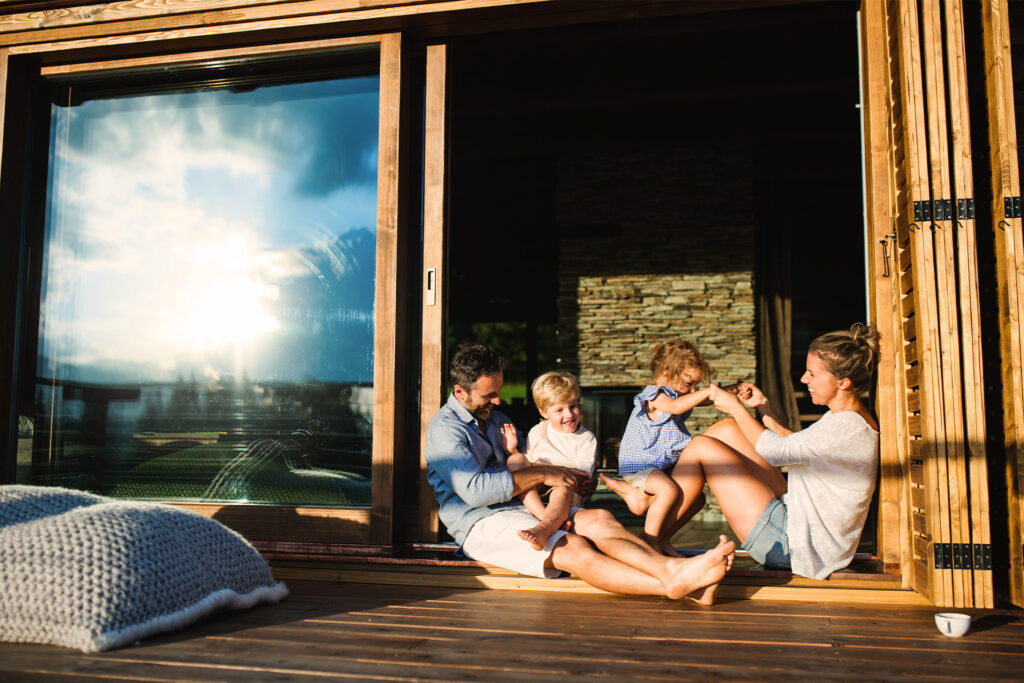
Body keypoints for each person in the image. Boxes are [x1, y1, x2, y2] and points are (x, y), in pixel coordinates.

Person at [425, 343, 735, 603]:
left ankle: (678, 574)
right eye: (489, 395)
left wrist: (574, 481)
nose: (498, 400)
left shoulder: (493, 417)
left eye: (499, 391)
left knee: (600, 519)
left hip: (524, 507)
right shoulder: (445, 430)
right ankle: (674, 583)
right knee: (572, 546)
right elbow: (478, 492)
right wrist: (549, 474)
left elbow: (531, 456)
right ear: (459, 391)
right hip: (481, 522)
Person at [668, 323, 880, 579]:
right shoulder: (846, 417)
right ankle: (661, 515)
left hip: (795, 546)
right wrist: (763, 406)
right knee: (726, 429)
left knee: (703, 446)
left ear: (842, 383)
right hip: (797, 519)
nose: (804, 379)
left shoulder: (845, 426)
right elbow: (793, 444)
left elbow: (777, 452)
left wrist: (736, 407)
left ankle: (654, 533)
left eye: (812, 374)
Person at [600, 339, 743, 555]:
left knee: (697, 499)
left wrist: (728, 391)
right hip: (641, 464)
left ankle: (663, 537)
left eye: (695, 385)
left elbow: (700, 400)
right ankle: (650, 541)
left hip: (660, 465)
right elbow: (676, 407)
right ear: (666, 374)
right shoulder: (655, 395)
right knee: (668, 490)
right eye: (688, 383)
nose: (692, 390)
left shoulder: (679, 394)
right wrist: (706, 392)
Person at [502, 371, 597, 551]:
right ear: (544, 412)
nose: (569, 414)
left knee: (562, 488)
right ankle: (543, 515)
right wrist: (512, 449)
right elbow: (527, 465)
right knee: (515, 460)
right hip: (538, 488)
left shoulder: (586, 438)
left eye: (573, 406)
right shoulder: (537, 431)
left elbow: (580, 476)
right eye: (560, 410)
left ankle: (543, 529)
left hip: (566, 490)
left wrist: (544, 473)